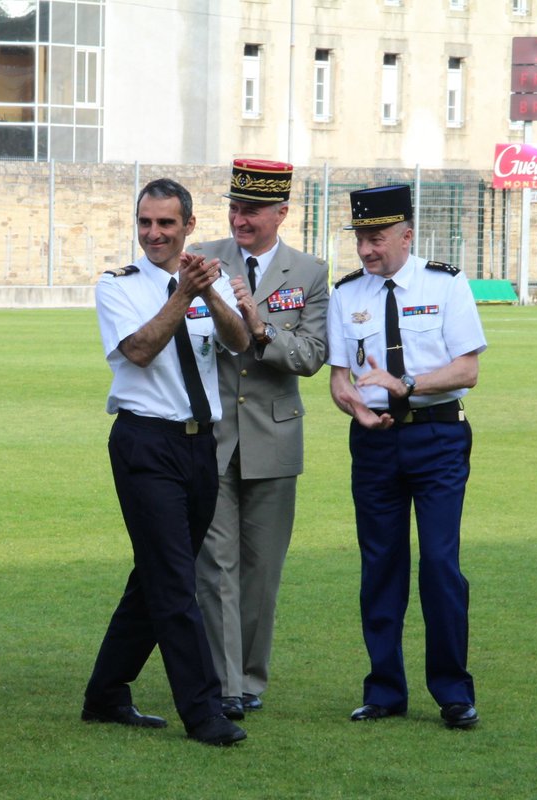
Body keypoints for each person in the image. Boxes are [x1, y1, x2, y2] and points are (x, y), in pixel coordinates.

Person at [84, 177, 250, 746]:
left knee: (155, 577)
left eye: (165, 224)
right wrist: (183, 294)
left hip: (201, 442)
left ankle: (106, 692)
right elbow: (138, 349)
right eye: (145, 223)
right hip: (145, 443)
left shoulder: (212, 275)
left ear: (189, 226)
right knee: (177, 580)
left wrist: (210, 295)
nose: (154, 234)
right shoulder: (118, 285)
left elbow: (238, 342)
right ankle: (203, 711)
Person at [327, 184, 486, 729]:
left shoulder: (445, 283)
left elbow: (467, 370)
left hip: (437, 437)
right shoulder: (348, 294)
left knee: (440, 564)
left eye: (376, 238)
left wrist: (407, 383)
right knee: (381, 566)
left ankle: (453, 692)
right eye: (361, 239)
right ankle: (385, 690)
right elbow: (340, 379)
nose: (367, 250)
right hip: (374, 442)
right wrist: (355, 407)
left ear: (406, 234)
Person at [189, 160, 328, 719]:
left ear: (281, 214)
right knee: (214, 565)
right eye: (235, 208)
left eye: (252, 210)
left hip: (274, 439)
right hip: (212, 435)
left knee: (261, 570)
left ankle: (250, 677)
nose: (240, 219)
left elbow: (312, 356)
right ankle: (226, 685)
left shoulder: (309, 272)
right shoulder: (201, 258)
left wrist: (261, 324)